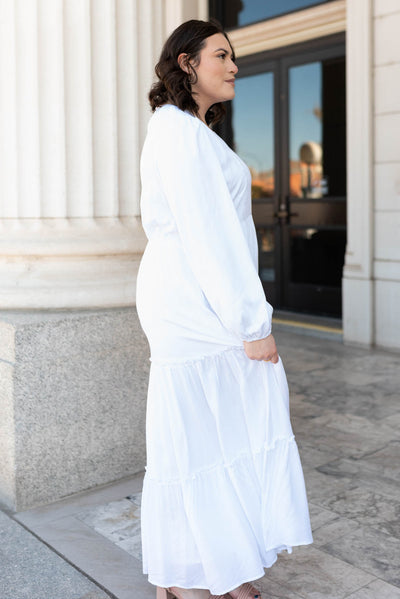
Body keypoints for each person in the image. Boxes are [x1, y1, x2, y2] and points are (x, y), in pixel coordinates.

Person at [136, 19, 313, 599]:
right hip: (193, 299)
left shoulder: (190, 131)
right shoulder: (178, 133)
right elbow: (210, 235)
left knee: (219, 432)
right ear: (187, 63)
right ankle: (184, 577)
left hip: (196, 291)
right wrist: (252, 322)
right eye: (222, 55)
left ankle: (222, 565)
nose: (234, 66)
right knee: (198, 434)